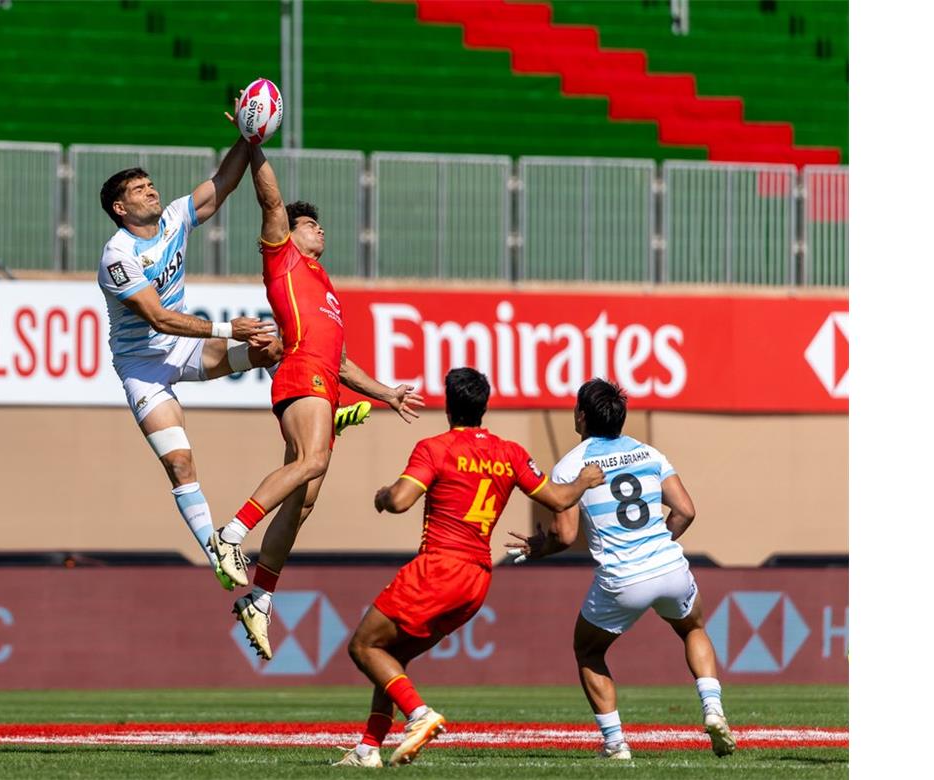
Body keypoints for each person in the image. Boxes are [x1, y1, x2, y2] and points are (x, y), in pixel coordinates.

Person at [97, 140, 372, 590]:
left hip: (182, 347)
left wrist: (249, 138)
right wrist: (228, 330)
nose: (151, 191)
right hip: (143, 365)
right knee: (181, 464)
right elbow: (158, 317)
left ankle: (318, 416)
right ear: (120, 206)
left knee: (275, 347)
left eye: (151, 184)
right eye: (140, 189)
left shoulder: (173, 220)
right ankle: (219, 554)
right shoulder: (117, 256)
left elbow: (224, 183)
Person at [209, 144, 426, 660]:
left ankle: (259, 599)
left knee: (303, 501)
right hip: (300, 374)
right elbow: (272, 201)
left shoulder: (326, 287)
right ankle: (230, 535)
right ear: (291, 232)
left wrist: (387, 393)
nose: (318, 229)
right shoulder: (282, 256)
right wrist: (254, 143)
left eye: (318, 225)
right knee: (314, 460)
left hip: (326, 381)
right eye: (310, 224)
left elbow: (345, 363)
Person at [332, 368, 605, 767]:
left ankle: (420, 715)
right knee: (391, 657)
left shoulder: (435, 447)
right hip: (477, 579)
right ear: (484, 406)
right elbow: (560, 499)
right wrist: (583, 481)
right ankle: (368, 749)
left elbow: (402, 500)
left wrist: (382, 495)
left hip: (439, 567)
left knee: (363, 646)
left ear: (448, 405)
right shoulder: (509, 452)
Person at [505, 378, 736, 760]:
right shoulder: (649, 452)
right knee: (693, 628)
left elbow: (564, 536)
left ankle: (615, 744)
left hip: (622, 578)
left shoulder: (570, 467)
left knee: (587, 650)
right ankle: (713, 709)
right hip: (668, 566)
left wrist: (537, 548)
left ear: (581, 415)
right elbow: (686, 511)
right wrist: (656, 544)